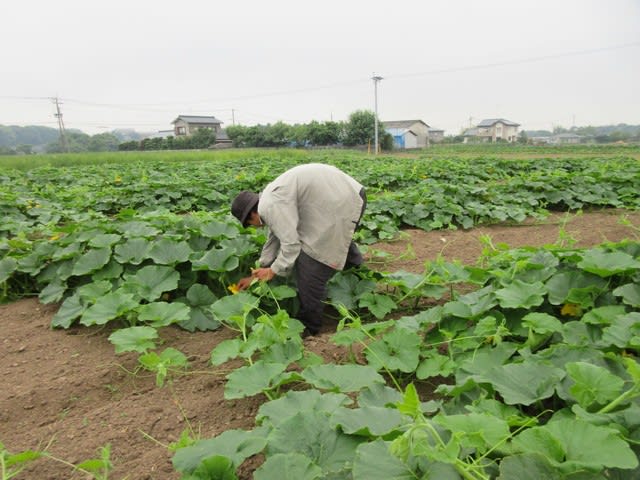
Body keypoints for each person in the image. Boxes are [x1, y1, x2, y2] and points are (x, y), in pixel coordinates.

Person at [231, 163, 367, 337]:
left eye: (249, 224)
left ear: (251, 215)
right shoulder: (269, 200)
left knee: (309, 265)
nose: (254, 228)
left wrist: (273, 271)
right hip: (347, 193)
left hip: (343, 200)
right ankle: (359, 278)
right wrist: (256, 274)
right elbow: (274, 238)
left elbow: (291, 245)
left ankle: (309, 327)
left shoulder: (270, 206)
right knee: (336, 239)